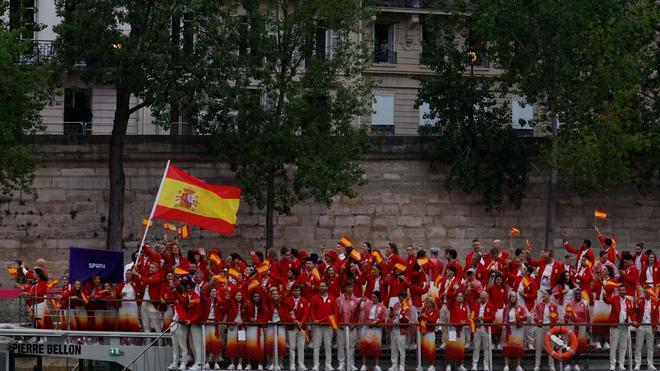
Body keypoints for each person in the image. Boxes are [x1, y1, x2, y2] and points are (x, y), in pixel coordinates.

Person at [603, 284, 635, 371]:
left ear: (625, 291)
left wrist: (634, 320)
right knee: (613, 346)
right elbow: (607, 301)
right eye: (620, 290)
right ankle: (612, 364)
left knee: (623, 346)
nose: (622, 291)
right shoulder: (614, 298)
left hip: (624, 327)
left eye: (623, 290)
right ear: (618, 291)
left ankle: (621, 364)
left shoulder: (629, 301)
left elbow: (631, 313)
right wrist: (604, 297)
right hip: (615, 327)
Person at [310, 281, 338, 371]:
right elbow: (311, 312)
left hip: (328, 327)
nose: (321, 287)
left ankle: (328, 365)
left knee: (328, 346)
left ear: (327, 287)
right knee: (316, 346)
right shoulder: (314, 298)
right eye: (320, 286)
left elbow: (335, 313)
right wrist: (314, 319)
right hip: (318, 326)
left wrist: (332, 323)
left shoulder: (332, 299)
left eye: (323, 286)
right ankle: (316, 365)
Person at [358, 291, 387, 371]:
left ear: (378, 298)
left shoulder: (383, 307)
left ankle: (377, 365)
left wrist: (376, 322)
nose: (373, 299)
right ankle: (364, 365)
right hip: (367, 327)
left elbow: (384, 318)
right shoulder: (367, 305)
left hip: (376, 328)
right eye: (372, 297)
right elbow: (363, 315)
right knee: (365, 346)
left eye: (374, 297)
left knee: (376, 346)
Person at [133, 262, 164, 334]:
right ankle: (147, 344)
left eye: (153, 268)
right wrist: (139, 264)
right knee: (146, 326)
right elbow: (142, 270)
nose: (150, 269)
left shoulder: (159, 277)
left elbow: (150, 282)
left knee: (157, 327)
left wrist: (137, 274)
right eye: (150, 267)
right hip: (144, 303)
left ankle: (160, 345)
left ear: (157, 269)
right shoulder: (147, 275)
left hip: (152, 304)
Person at [336, 281, 360, 371]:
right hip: (341, 327)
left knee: (351, 346)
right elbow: (336, 313)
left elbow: (357, 313)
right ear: (345, 288)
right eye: (349, 287)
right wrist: (338, 324)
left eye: (352, 287)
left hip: (352, 327)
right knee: (341, 346)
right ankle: (341, 364)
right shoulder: (339, 299)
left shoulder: (356, 300)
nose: (351, 289)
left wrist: (354, 324)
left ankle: (351, 363)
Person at [286, 285, 310, 371]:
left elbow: (306, 313)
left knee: (301, 347)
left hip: (301, 327)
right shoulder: (288, 300)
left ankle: (301, 364)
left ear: (300, 292)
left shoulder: (304, 300)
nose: (296, 292)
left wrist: (301, 321)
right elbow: (286, 313)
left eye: (298, 290)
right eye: (295, 290)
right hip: (292, 327)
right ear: (292, 291)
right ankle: (292, 364)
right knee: (292, 347)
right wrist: (294, 320)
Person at [565, 289, 590, 371]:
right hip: (572, 326)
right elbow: (567, 315)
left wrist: (588, 326)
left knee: (579, 345)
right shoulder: (569, 304)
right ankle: (568, 364)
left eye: (579, 294)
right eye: (576, 294)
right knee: (570, 344)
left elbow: (587, 316)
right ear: (574, 295)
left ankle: (576, 364)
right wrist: (566, 319)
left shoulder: (585, 303)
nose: (578, 296)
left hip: (582, 326)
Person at [634, 288, 658, 371]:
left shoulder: (654, 302)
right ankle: (637, 364)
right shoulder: (640, 300)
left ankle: (650, 364)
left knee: (650, 347)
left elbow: (656, 316)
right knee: (638, 347)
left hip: (650, 326)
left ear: (650, 293)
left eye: (647, 292)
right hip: (641, 326)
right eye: (644, 291)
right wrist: (637, 305)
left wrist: (654, 327)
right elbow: (633, 311)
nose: (645, 293)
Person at [502, 292, 527, 371]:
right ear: (509, 298)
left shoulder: (521, 307)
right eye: (511, 297)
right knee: (507, 347)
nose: (512, 298)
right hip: (509, 329)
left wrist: (522, 317)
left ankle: (518, 365)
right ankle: (506, 365)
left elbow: (526, 316)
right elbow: (504, 319)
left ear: (516, 298)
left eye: (514, 297)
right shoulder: (506, 308)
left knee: (518, 347)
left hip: (518, 328)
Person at [471, 291, 495, 371]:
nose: (481, 299)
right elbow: (472, 316)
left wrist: (483, 318)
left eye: (483, 298)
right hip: (477, 328)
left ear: (487, 298)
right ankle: (474, 364)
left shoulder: (491, 305)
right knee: (476, 347)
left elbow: (492, 318)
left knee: (486, 347)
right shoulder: (476, 305)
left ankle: (486, 365)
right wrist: (475, 319)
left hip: (486, 329)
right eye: (480, 298)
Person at [201, 286, 223, 370]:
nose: (214, 293)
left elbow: (225, 306)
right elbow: (201, 296)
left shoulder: (218, 301)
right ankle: (207, 362)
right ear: (209, 293)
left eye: (215, 292)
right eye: (213, 292)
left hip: (214, 324)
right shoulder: (206, 301)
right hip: (206, 323)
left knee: (216, 344)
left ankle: (216, 362)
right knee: (207, 344)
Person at [389, 292, 412, 371]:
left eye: (401, 297)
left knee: (401, 349)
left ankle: (402, 365)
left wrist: (400, 316)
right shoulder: (396, 304)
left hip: (401, 330)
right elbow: (392, 316)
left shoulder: (408, 306)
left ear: (405, 297)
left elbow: (407, 320)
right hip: (394, 328)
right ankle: (394, 365)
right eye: (399, 297)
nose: (400, 299)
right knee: (393, 348)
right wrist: (391, 314)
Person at [246, 289, 268, 370]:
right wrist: (250, 319)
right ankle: (249, 364)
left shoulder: (263, 307)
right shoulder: (249, 305)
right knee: (249, 346)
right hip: (250, 328)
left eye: (258, 296)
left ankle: (260, 364)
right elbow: (245, 315)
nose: (256, 298)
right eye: (255, 296)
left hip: (259, 328)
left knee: (260, 346)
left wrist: (256, 321)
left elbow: (265, 318)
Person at [446, 292, 469, 371]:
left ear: (463, 298)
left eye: (461, 296)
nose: (460, 297)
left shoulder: (465, 307)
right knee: (451, 347)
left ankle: (460, 365)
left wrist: (464, 321)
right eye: (458, 296)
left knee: (461, 347)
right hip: (453, 329)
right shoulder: (452, 304)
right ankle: (449, 365)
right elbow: (451, 300)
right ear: (456, 298)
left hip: (461, 330)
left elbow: (466, 318)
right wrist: (455, 291)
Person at [226, 290, 248, 370]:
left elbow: (247, 316)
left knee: (241, 345)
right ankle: (232, 363)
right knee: (231, 345)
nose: (239, 296)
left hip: (241, 328)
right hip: (232, 327)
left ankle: (240, 363)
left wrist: (243, 321)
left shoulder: (245, 305)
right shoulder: (230, 304)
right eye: (237, 295)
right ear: (234, 296)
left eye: (240, 295)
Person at [417, 296, 439, 371]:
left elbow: (433, 320)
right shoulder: (424, 309)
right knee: (424, 348)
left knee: (431, 349)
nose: (426, 304)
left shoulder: (435, 310)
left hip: (430, 332)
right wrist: (421, 316)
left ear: (432, 303)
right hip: (423, 332)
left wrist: (425, 317)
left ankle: (432, 365)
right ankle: (427, 364)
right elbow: (419, 317)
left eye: (428, 302)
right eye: (426, 302)